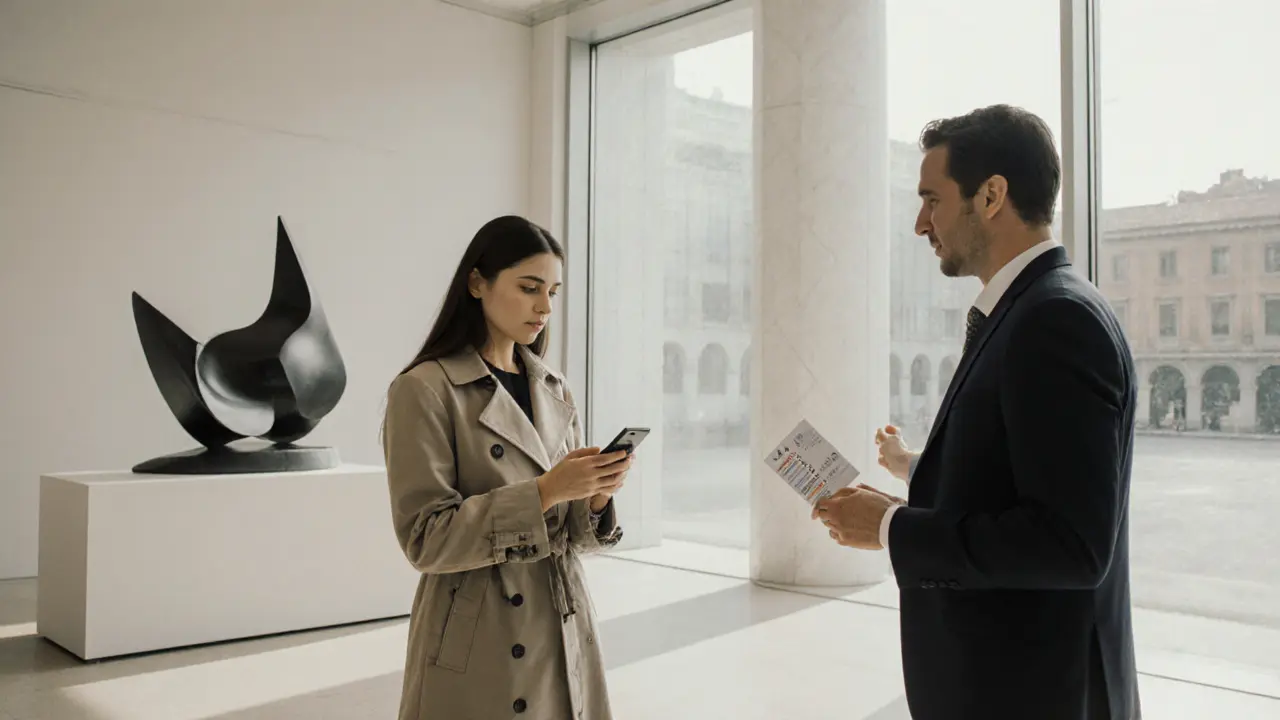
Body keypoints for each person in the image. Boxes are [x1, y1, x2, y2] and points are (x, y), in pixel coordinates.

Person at [814, 105, 1140, 719]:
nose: (919, 223)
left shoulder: (1054, 320)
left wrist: (891, 529)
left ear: (991, 195)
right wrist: (913, 476)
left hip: (1032, 694)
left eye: (931, 199)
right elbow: (1013, 477)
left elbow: (1070, 544)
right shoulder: (1032, 309)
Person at [382, 215, 630, 720]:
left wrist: (596, 497)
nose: (544, 307)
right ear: (477, 283)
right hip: (481, 638)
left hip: (563, 631)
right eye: (529, 287)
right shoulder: (425, 390)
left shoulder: (553, 387)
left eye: (553, 292)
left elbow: (570, 537)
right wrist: (544, 491)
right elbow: (425, 539)